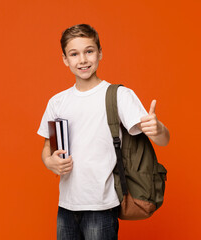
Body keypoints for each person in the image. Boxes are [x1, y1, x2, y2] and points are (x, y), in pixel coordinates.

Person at [37, 24, 170, 240]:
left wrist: (159, 129)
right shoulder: (57, 102)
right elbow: (48, 148)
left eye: (89, 51)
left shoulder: (118, 95)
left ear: (100, 53)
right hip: (66, 206)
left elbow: (162, 140)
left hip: (102, 206)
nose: (82, 60)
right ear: (65, 59)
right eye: (74, 54)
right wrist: (49, 161)